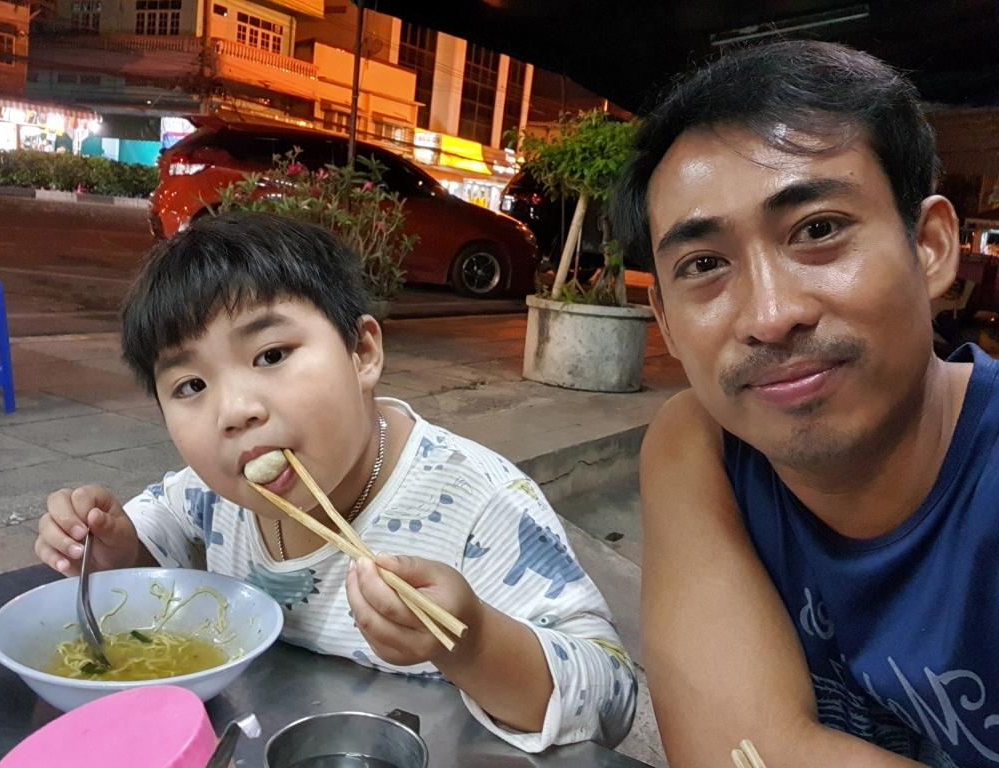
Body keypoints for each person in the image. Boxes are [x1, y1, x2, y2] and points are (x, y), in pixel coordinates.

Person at [33, 212, 636, 752]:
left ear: (362, 352)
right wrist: (119, 551)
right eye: (190, 386)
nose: (235, 411)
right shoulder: (213, 496)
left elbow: (612, 695)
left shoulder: (479, 503)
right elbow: (156, 530)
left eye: (271, 355)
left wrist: (473, 644)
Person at [611, 40, 999, 767]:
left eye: (818, 230)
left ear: (929, 247)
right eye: (704, 264)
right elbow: (739, 752)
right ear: (664, 320)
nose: (770, 315)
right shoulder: (702, 446)